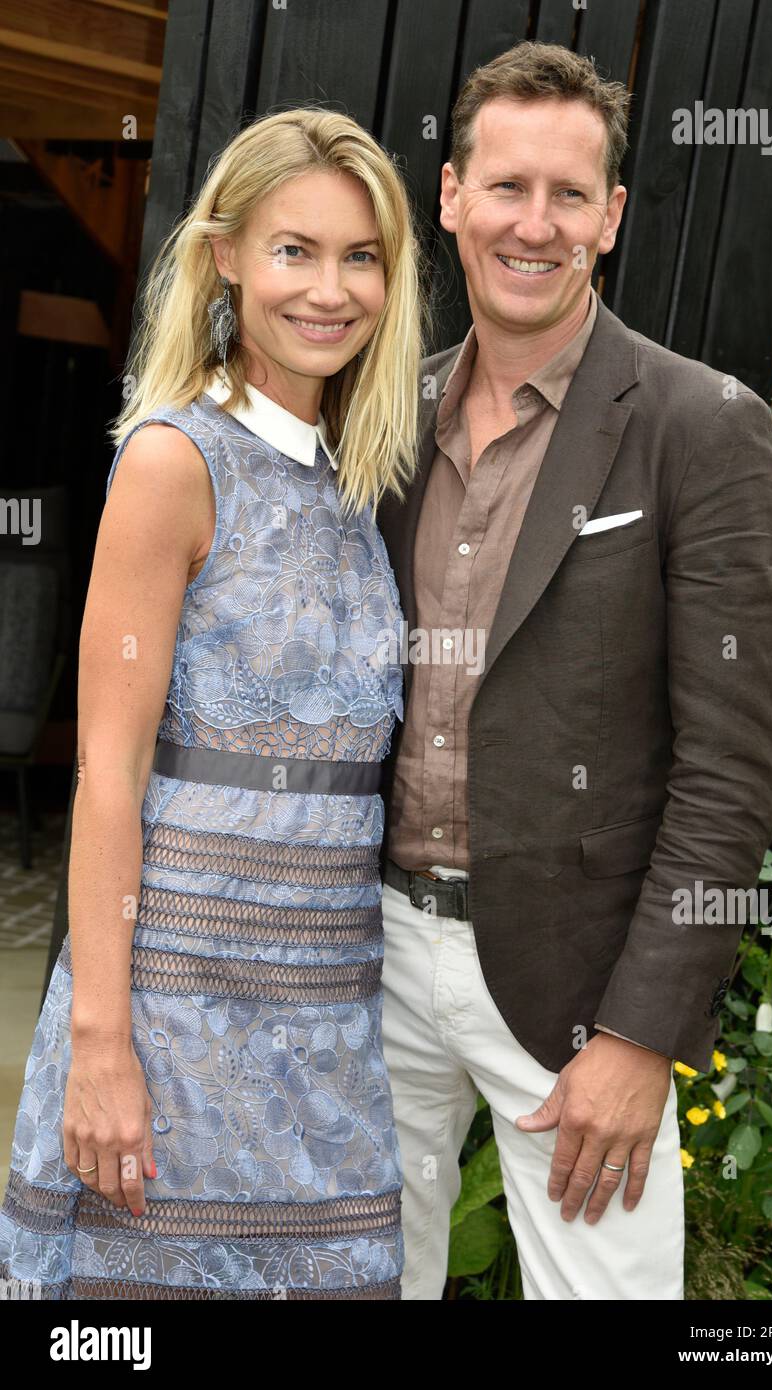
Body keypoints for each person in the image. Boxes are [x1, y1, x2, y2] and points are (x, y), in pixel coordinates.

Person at [376, 42, 772, 1300]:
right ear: (448, 196)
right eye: (506, 187)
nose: (534, 224)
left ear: (610, 217)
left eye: (569, 195)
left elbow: (733, 770)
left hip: (577, 984)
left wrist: (639, 1033)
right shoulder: (386, 416)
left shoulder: (698, 426)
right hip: (372, 958)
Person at [0, 107, 425, 1299]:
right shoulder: (171, 462)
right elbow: (109, 776)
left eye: (360, 257)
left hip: (327, 1028)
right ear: (226, 256)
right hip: (173, 1016)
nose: (328, 290)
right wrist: (99, 1043)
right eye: (294, 249)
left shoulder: (356, 478)